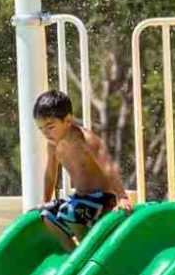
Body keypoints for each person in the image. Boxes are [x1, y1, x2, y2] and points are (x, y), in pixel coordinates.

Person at [33, 90, 132, 249]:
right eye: (41, 128)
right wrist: (45, 200)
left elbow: (107, 166)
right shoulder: (53, 145)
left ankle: (90, 252)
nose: (46, 133)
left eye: (50, 127)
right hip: (80, 199)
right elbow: (51, 174)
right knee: (47, 215)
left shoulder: (85, 139)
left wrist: (122, 196)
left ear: (67, 120)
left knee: (70, 212)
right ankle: (72, 255)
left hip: (102, 199)